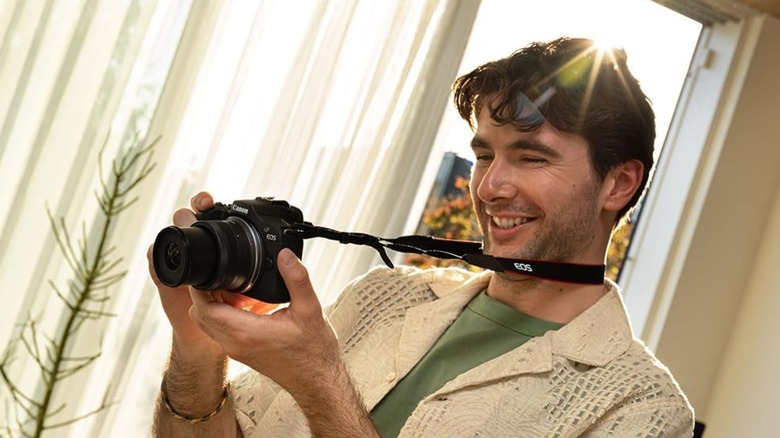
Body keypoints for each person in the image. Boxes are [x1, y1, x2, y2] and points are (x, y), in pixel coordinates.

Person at [148, 37, 694, 437]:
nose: (490, 186)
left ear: (618, 183)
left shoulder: (640, 409)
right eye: (484, 155)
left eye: (531, 157)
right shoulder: (382, 298)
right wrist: (197, 346)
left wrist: (320, 384)